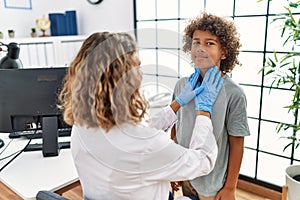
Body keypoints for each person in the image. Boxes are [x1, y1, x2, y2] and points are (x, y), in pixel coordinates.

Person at [58, 31, 224, 200]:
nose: (141, 67)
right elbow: (203, 161)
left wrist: (177, 104)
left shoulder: (81, 126)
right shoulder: (145, 145)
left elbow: (136, 139)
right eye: (135, 65)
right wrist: (204, 109)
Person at [171, 12, 250, 200]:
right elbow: (176, 127)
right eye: (196, 42)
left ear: (224, 52)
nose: (200, 48)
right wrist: (174, 167)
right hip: (186, 175)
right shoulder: (183, 86)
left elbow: (237, 142)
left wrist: (230, 187)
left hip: (213, 184)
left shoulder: (233, 93)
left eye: (210, 43)